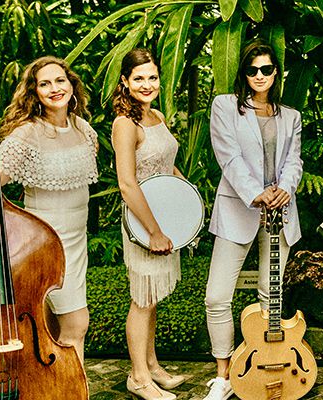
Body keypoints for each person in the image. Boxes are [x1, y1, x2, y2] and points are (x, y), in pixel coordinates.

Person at [0, 56, 97, 366]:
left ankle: (54, 386)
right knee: (77, 323)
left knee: (53, 328)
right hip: (44, 244)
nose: (55, 88)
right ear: (35, 92)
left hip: (77, 241)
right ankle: (76, 388)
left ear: (71, 85)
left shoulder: (84, 129)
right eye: (45, 84)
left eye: (60, 80)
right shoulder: (27, 133)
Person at [203, 39, 303, 400]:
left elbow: (294, 160)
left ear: (276, 73)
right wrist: (256, 193)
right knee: (217, 296)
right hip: (238, 208)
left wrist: (285, 189)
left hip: (280, 212)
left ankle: (262, 366)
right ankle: (224, 375)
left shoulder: (291, 116)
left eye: (266, 69)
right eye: (252, 69)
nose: (259, 76)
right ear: (243, 73)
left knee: (269, 296)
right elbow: (228, 157)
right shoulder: (225, 106)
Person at [111, 48, 186, 400]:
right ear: (125, 81)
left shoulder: (156, 115)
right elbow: (127, 184)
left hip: (166, 219)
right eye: (138, 78)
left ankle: (152, 366)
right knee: (142, 298)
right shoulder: (125, 124)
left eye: (152, 77)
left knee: (152, 297)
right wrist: (153, 231)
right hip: (143, 224)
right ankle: (139, 377)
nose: (147, 84)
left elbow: (167, 164)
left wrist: (187, 200)